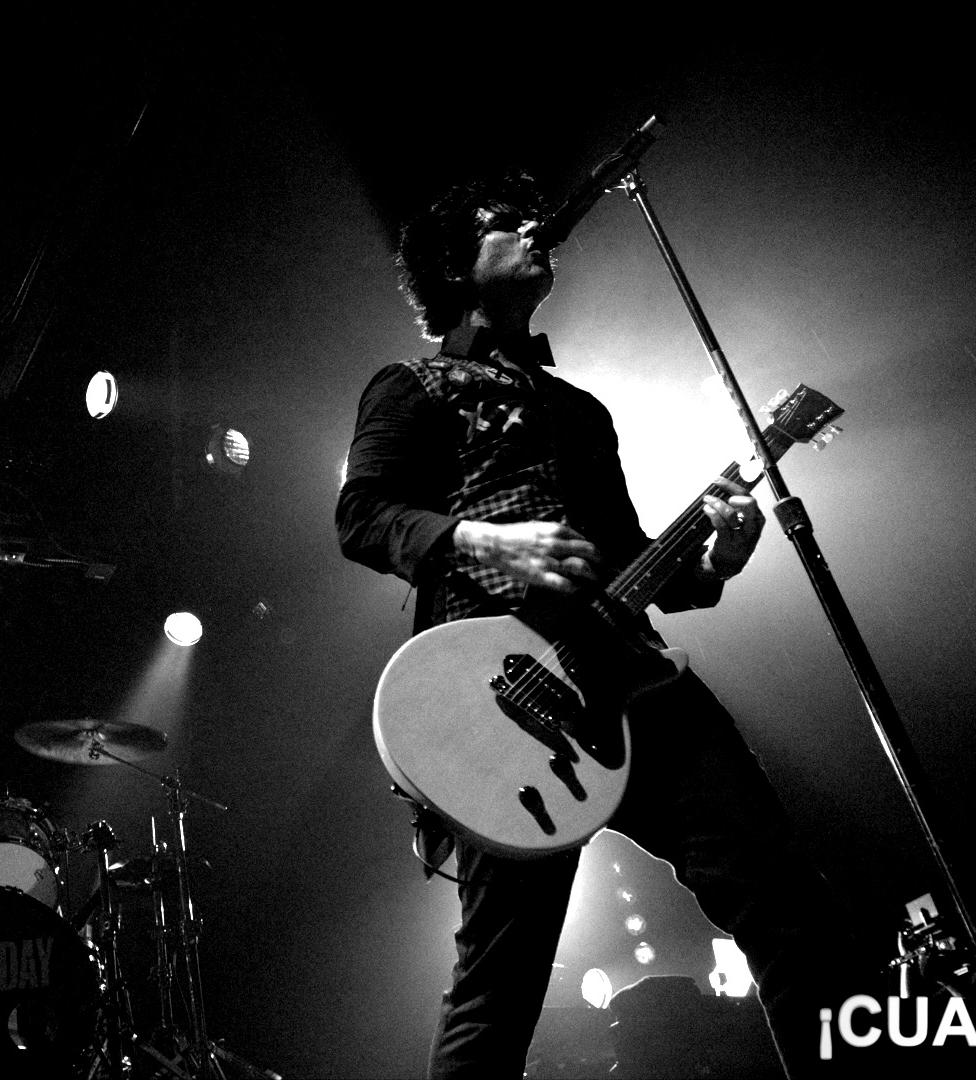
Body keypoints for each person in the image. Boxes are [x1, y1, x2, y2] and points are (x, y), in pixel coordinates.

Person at [337, 171, 854, 1078]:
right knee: (499, 989)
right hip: (507, 696)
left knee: (785, 900)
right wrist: (481, 542)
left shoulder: (580, 409)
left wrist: (712, 562)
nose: (538, 229)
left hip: (637, 683)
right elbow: (365, 516)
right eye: (507, 222)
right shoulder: (412, 385)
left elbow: (631, 562)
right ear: (458, 262)